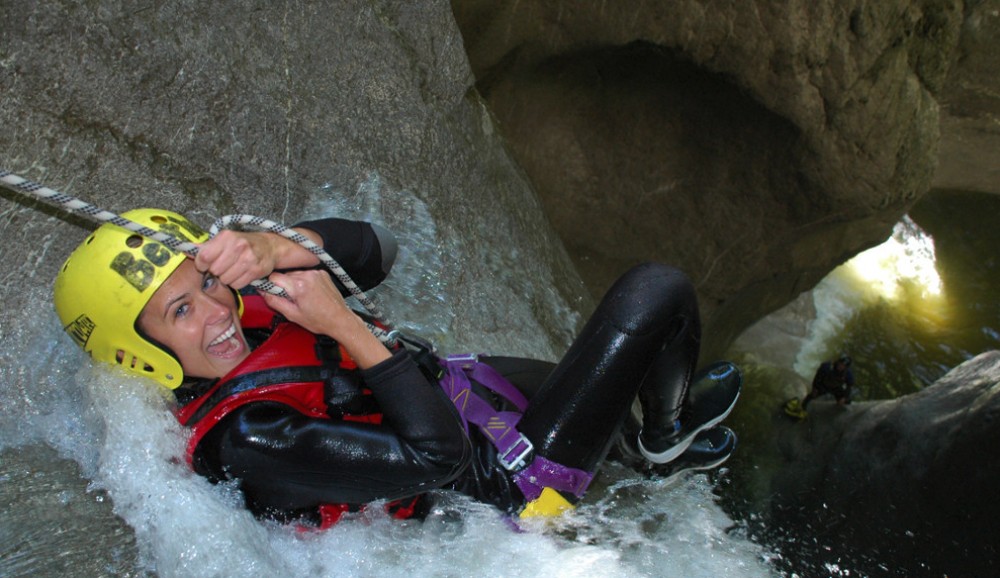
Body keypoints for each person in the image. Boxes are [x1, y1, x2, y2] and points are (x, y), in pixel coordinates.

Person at [53, 208, 741, 527]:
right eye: (180, 311)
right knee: (658, 294)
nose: (216, 310)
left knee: (612, 398)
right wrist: (341, 326)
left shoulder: (231, 318)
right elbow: (435, 459)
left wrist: (272, 248)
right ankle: (662, 442)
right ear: (135, 353)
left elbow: (379, 249)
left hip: (457, 395)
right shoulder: (247, 439)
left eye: (203, 282)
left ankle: (649, 446)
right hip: (506, 494)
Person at [785, 355, 855, 419]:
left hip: (835, 388)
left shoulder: (847, 374)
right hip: (823, 385)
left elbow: (849, 386)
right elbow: (817, 378)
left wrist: (844, 397)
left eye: (843, 366)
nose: (841, 366)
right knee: (811, 396)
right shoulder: (827, 366)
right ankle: (802, 408)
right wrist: (815, 388)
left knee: (847, 401)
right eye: (840, 364)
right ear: (837, 362)